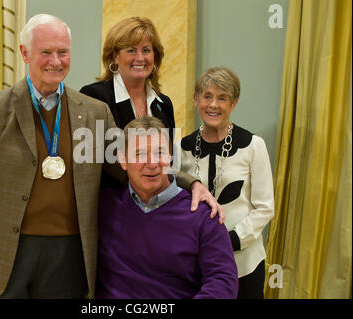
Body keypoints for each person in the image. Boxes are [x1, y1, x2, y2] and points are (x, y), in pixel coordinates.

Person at [0, 14, 124, 299]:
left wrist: (189, 184)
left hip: (70, 256)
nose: (55, 61)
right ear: (25, 53)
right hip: (7, 253)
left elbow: (130, 165)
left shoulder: (95, 113)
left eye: (63, 52)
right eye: (46, 52)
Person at [80, 16, 223, 221]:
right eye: (131, 50)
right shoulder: (94, 97)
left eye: (146, 50)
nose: (140, 57)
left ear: (155, 57)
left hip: (156, 210)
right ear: (115, 56)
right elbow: (88, 161)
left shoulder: (163, 104)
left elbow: (170, 163)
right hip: (110, 213)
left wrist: (193, 184)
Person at [97, 116, 238, 299]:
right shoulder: (105, 206)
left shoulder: (203, 215)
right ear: (123, 160)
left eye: (160, 153)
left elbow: (223, 280)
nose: (152, 163)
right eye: (140, 154)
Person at [180, 66, 274, 299]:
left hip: (245, 264)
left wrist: (230, 240)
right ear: (196, 99)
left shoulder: (254, 145)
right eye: (207, 96)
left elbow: (265, 207)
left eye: (222, 98)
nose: (213, 105)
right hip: (197, 263)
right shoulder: (181, 148)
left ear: (234, 103)